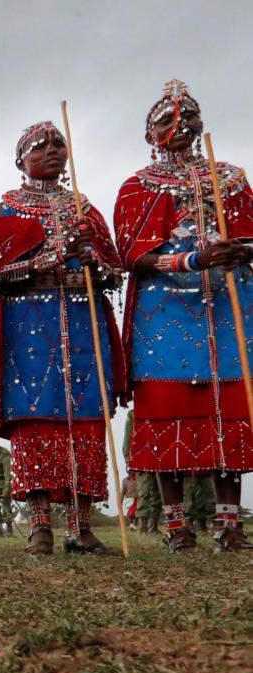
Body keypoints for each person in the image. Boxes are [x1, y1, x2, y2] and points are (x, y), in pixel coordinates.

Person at [115, 79, 253, 553]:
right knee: (167, 409)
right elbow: (131, 254)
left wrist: (239, 250)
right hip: (164, 311)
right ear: (148, 133)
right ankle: (177, 527)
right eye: (165, 118)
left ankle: (229, 525)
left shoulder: (230, 177)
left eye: (189, 114)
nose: (179, 123)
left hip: (228, 306)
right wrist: (191, 261)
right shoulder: (137, 186)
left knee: (229, 407)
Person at [0, 121, 124, 555]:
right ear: (20, 160)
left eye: (58, 143)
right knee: (35, 419)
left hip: (83, 324)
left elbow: (115, 272)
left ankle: (81, 527)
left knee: (85, 422)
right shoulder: (4, 211)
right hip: (28, 327)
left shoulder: (85, 210)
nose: (51, 151)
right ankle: (39, 526)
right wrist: (47, 259)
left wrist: (91, 258)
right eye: (38, 146)